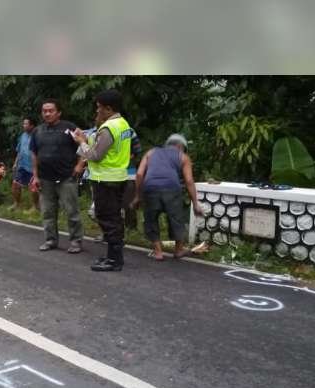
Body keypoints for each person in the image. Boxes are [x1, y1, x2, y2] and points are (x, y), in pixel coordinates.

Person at [73, 89, 132, 271]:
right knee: (113, 218)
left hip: (105, 180)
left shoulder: (109, 128)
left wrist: (81, 142)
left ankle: (114, 261)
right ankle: (113, 257)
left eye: (99, 108)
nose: (97, 111)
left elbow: (96, 155)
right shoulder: (123, 124)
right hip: (118, 176)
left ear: (108, 108)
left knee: (107, 218)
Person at [132, 133, 204, 260]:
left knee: (151, 219)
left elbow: (139, 174)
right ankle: (179, 250)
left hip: (150, 187)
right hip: (171, 188)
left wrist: (138, 196)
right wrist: (196, 204)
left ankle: (158, 252)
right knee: (176, 218)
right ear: (180, 146)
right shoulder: (183, 156)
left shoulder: (151, 152)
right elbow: (188, 181)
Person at [30, 99, 84, 253]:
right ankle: (50, 240)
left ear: (58, 112)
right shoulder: (37, 131)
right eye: (44, 111)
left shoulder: (69, 128)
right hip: (45, 178)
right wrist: (35, 175)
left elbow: (84, 144)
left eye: (50, 110)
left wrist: (80, 165)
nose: (47, 113)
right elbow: (33, 153)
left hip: (66, 176)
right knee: (47, 212)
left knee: (71, 211)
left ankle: (76, 241)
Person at [10, 117, 39, 211]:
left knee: (34, 188)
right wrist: (15, 163)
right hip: (22, 165)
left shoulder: (38, 136)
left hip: (33, 166)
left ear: (32, 125)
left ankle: (35, 206)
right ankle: (17, 204)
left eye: (26, 124)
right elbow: (19, 150)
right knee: (15, 184)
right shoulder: (22, 136)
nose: (24, 126)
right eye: (24, 124)